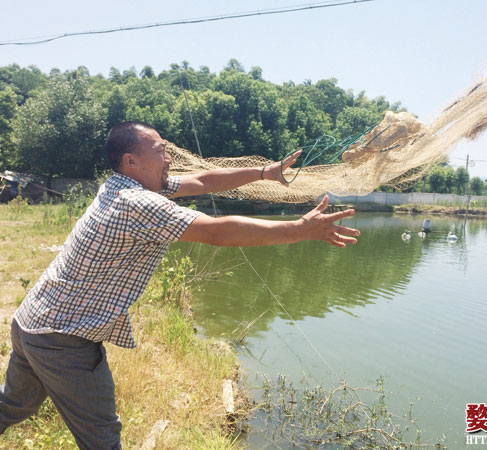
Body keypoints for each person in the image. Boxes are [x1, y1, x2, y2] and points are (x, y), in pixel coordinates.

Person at [0, 121, 360, 449]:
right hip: (64, 338)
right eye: (160, 150)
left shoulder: (125, 184)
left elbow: (204, 182)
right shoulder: (135, 202)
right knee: (102, 440)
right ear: (131, 160)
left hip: (32, 320)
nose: (169, 158)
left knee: (12, 406)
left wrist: (265, 172)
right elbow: (218, 232)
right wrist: (299, 229)